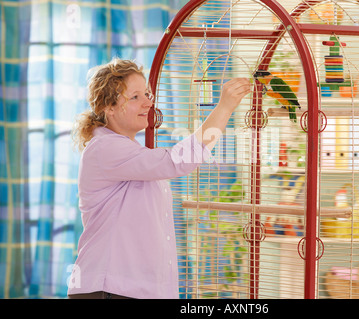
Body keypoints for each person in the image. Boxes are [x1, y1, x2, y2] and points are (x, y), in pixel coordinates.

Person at [68, 58, 251, 299]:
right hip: (108, 289)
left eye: (147, 94)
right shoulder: (104, 149)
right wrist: (224, 107)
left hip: (134, 290)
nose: (148, 103)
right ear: (108, 107)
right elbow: (177, 160)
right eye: (135, 97)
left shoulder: (133, 154)